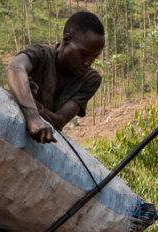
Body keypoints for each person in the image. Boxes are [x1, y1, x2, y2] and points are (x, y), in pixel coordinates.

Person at [6, 11, 105, 144]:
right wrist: (33, 117)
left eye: (94, 57)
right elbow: (14, 68)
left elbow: (59, 121)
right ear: (67, 40)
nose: (88, 63)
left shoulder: (90, 79)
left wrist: (33, 105)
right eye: (84, 54)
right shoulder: (40, 54)